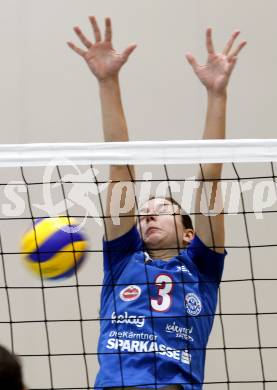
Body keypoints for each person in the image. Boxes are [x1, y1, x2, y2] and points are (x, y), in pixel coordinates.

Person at [68, 16, 246, 390]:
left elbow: (209, 178)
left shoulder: (202, 266)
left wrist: (217, 95)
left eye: (163, 209)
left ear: (188, 234)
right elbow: (121, 169)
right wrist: (108, 81)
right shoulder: (122, 259)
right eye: (145, 209)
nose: (148, 212)